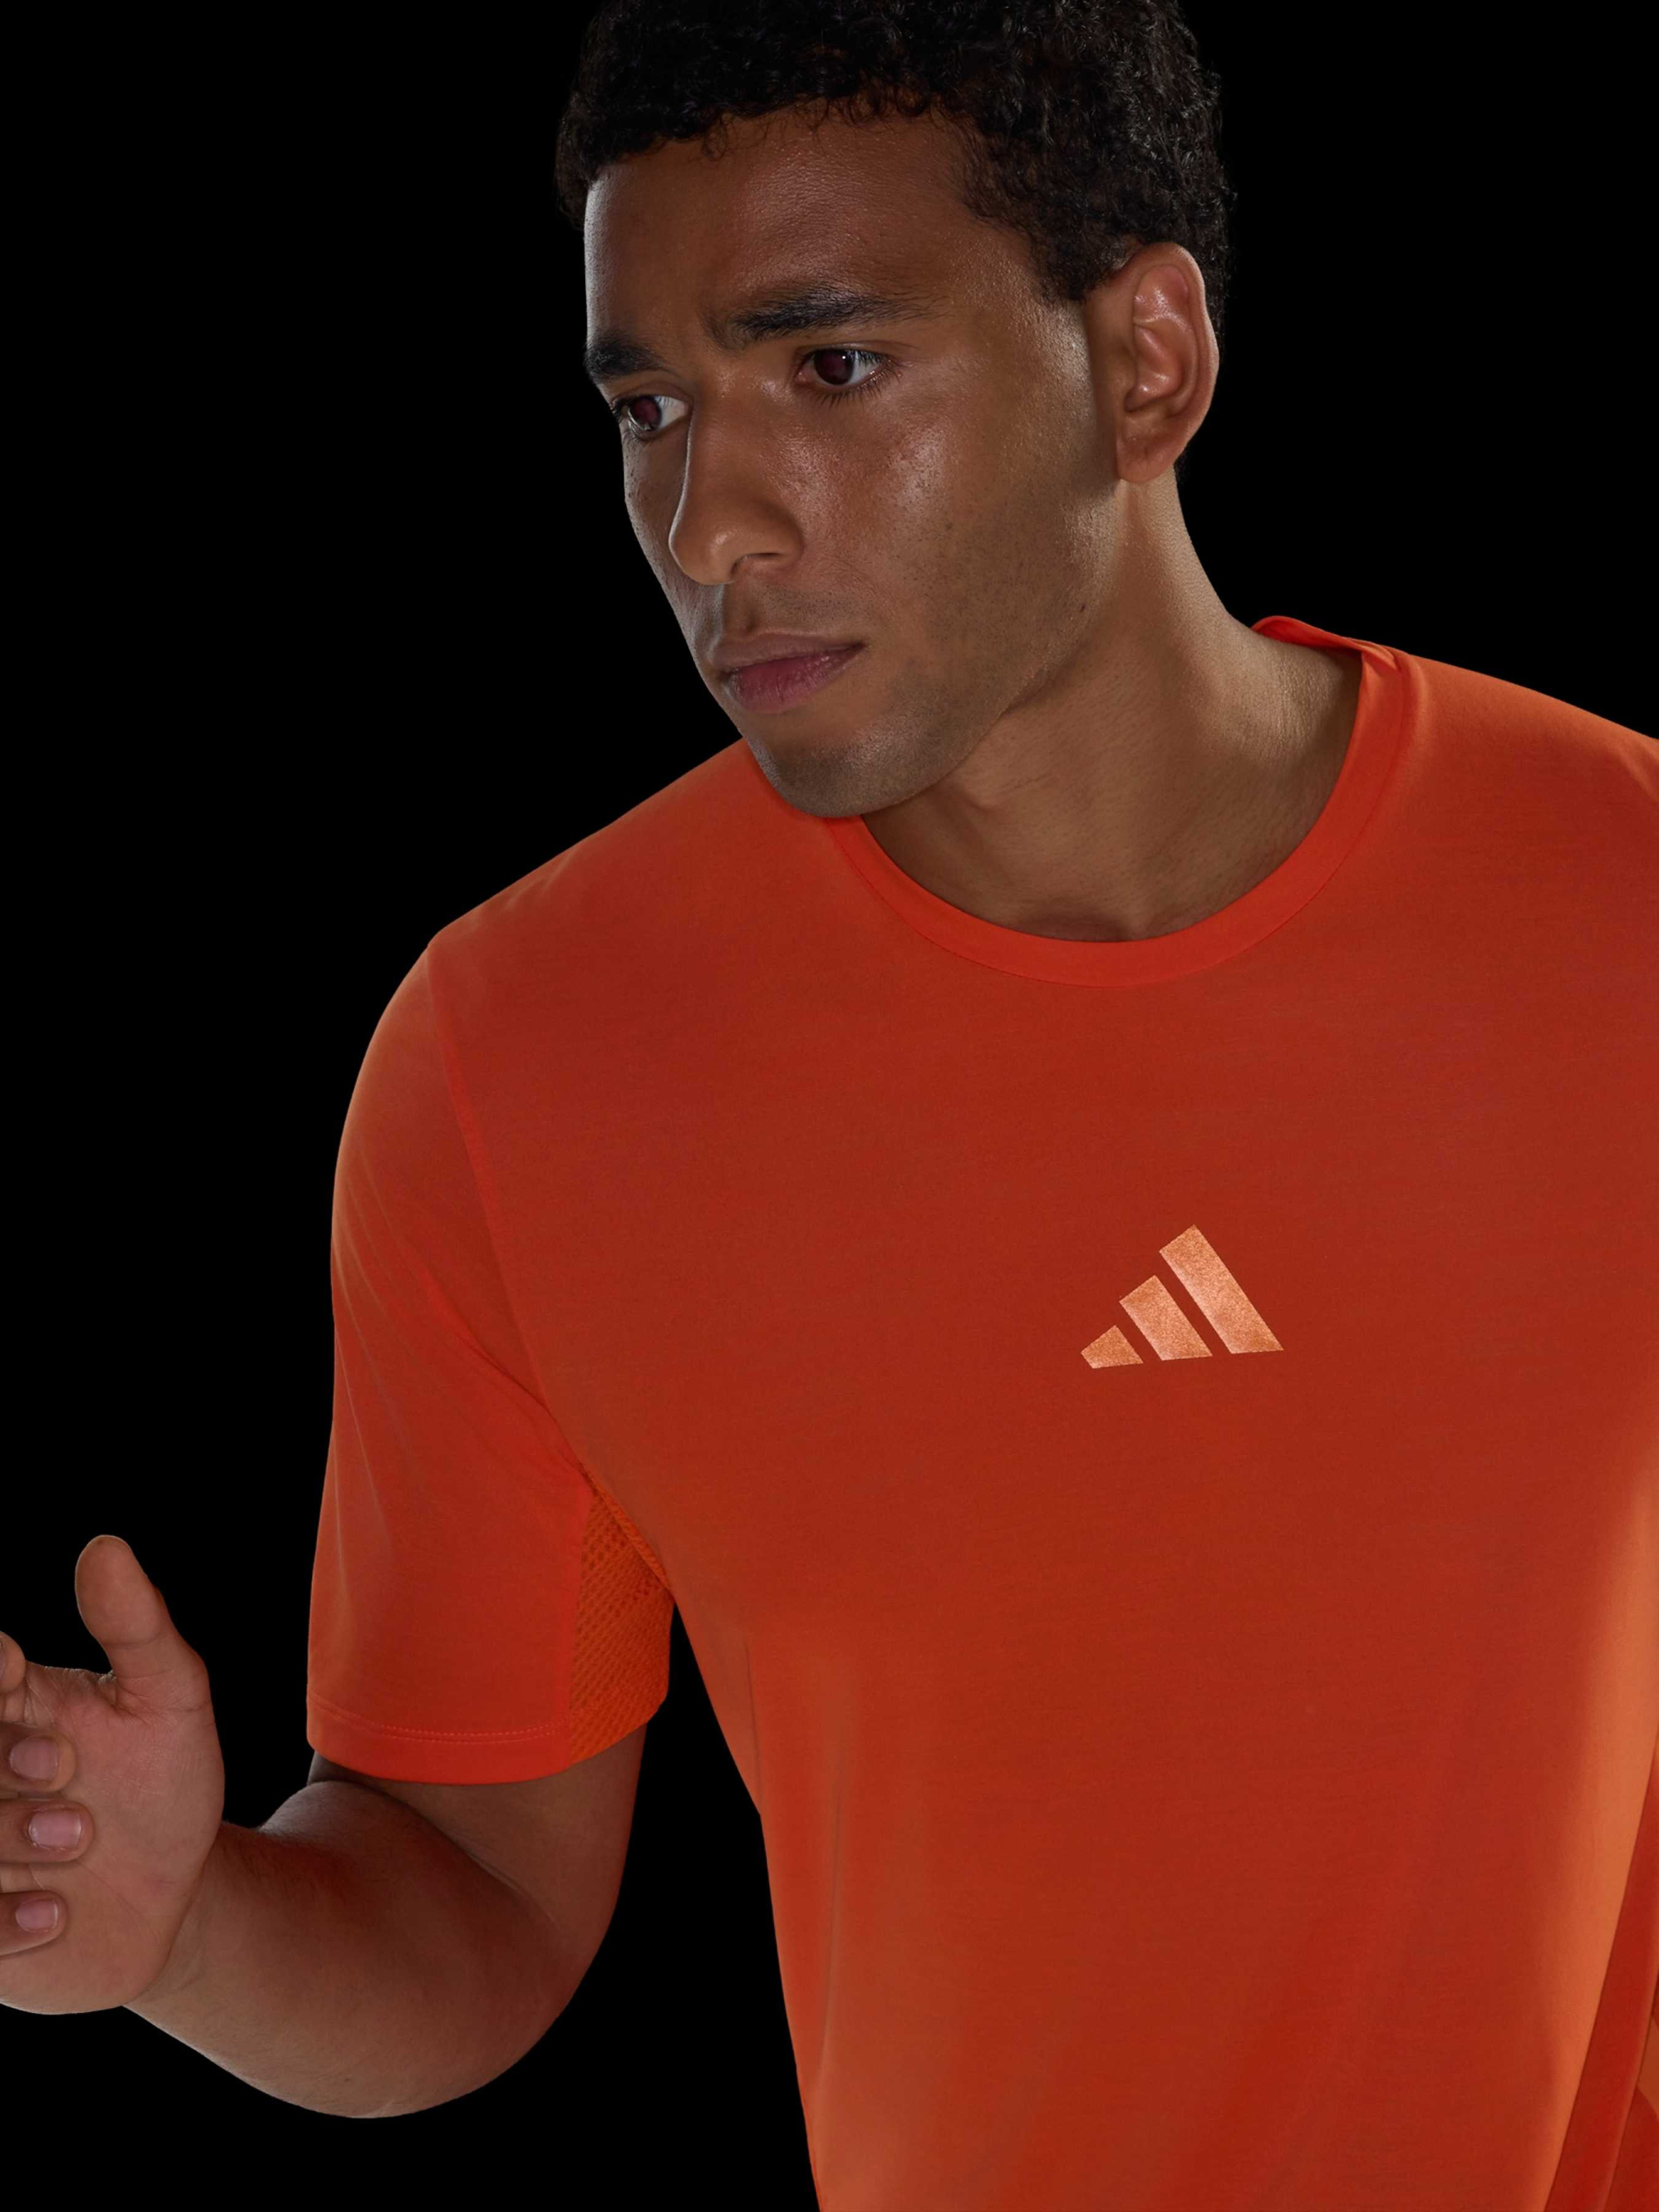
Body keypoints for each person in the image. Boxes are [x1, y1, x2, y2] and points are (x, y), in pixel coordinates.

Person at [6, 1, 1656, 2201]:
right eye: (650, 410)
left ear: (1146, 362)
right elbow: (474, 1894)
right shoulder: (527, 1063)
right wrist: (180, 1923)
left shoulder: (1622, 901)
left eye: (833, 366)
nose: (711, 522)